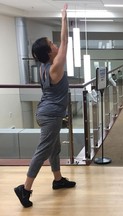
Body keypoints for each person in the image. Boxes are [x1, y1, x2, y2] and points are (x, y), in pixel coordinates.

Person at [14, 3, 76, 208]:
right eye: (52, 44)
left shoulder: (43, 67)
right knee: (43, 151)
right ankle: (25, 189)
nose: (56, 44)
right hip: (50, 115)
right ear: (50, 53)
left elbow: (61, 43)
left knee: (54, 148)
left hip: (47, 112)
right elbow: (66, 40)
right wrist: (64, 17)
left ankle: (58, 180)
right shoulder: (55, 67)